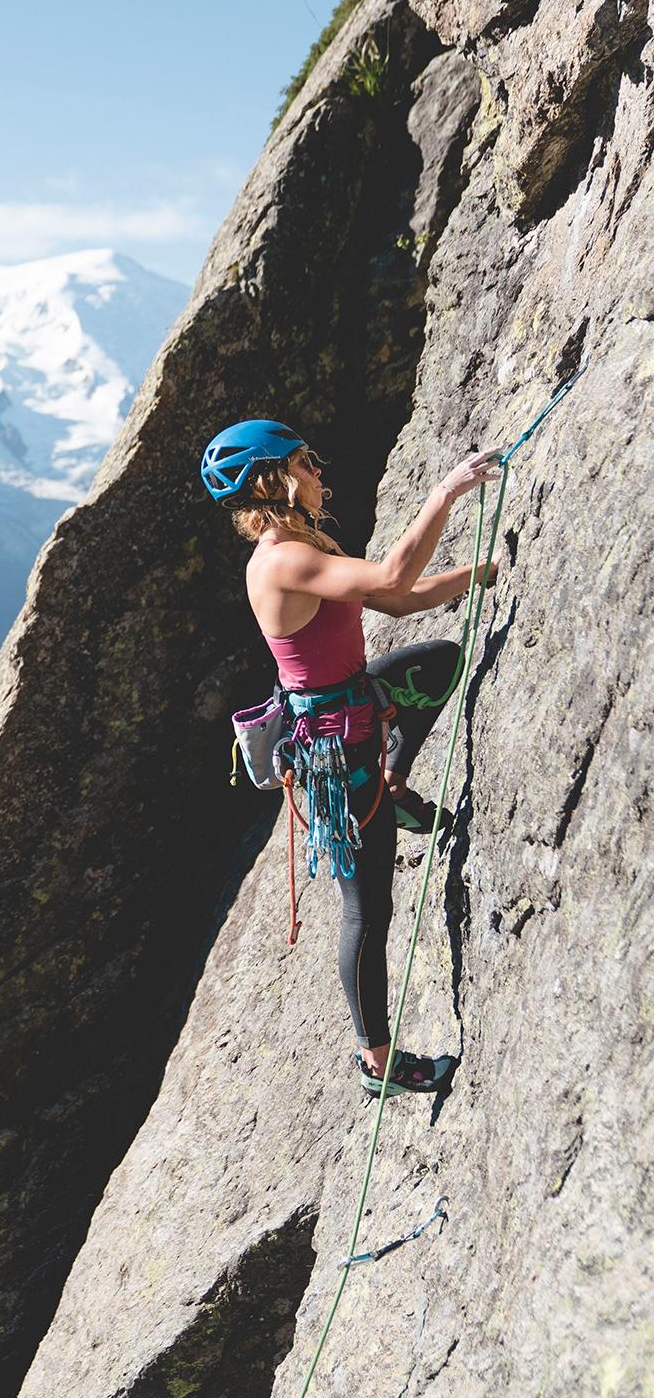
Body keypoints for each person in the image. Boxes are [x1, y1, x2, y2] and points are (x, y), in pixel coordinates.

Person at [202, 419, 502, 1096]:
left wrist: (478, 573)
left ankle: (394, 780)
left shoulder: (305, 544)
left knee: (437, 663)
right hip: (338, 759)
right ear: (270, 479)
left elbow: (395, 598)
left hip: (356, 711)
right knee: (369, 911)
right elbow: (396, 571)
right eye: (304, 461)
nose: (317, 469)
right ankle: (379, 1063)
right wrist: (447, 492)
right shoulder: (282, 560)